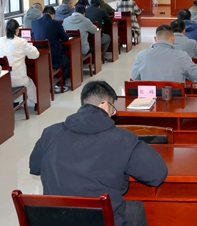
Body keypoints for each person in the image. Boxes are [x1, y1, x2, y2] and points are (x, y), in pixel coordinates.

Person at [29, 81, 168, 226]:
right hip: (100, 220)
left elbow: (35, 166)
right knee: (136, 208)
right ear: (104, 105)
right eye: (113, 109)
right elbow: (156, 175)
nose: (112, 114)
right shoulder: (123, 139)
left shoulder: (50, 133)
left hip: (57, 219)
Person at [0, 19, 40, 108]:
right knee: (29, 83)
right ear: (18, 30)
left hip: (2, 79)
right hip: (17, 79)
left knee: (20, 82)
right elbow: (35, 55)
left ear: (5, 30)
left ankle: (15, 101)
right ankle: (37, 103)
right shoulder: (21, 42)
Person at [131, 24, 197, 83]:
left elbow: (135, 78)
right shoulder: (182, 55)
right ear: (173, 38)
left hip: (149, 95)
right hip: (173, 95)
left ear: (155, 38)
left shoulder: (142, 55)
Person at [32, 6, 70, 93]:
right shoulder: (56, 24)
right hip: (54, 58)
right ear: (53, 15)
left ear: (42, 14)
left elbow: (33, 36)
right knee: (67, 60)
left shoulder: (34, 22)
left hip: (40, 58)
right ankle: (60, 85)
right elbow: (65, 38)